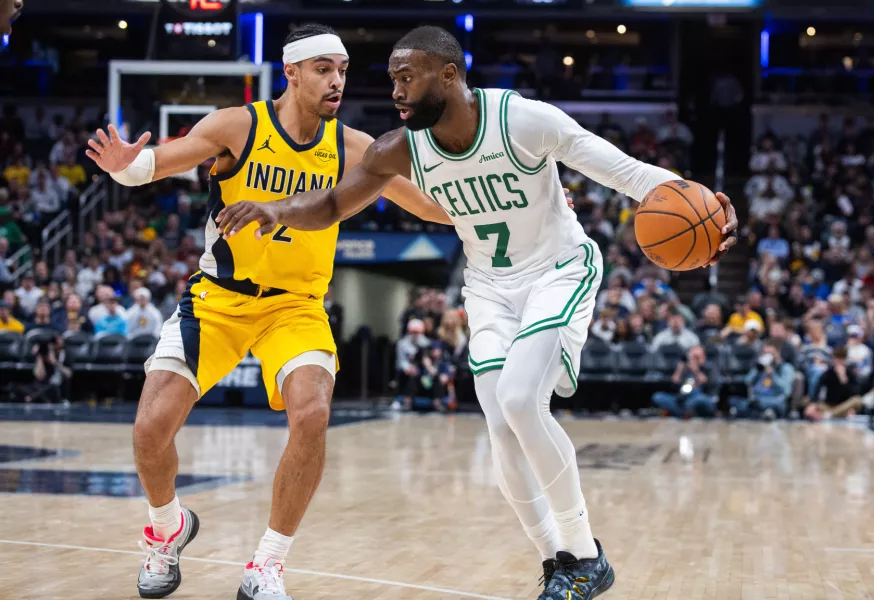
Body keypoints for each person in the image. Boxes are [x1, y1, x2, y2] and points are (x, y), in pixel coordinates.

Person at [214, 25, 737, 600]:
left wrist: (705, 204)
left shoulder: (523, 120)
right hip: (488, 286)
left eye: (406, 77)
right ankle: (557, 560)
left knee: (520, 400)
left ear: (448, 75)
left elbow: (629, 174)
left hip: (557, 270)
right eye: (392, 79)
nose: (396, 91)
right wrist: (276, 210)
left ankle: (586, 555)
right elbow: (336, 202)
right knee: (503, 433)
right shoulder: (398, 148)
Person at [84, 24, 453, 600]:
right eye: (323, 69)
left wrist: (507, 206)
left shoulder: (353, 146)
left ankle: (267, 564)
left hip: (297, 307)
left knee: (312, 414)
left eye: (342, 70)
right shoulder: (238, 125)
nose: (336, 81)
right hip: (219, 299)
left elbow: (428, 205)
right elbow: (153, 164)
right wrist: (125, 166)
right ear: (292, 73)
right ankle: (167, 528)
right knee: (149, 430)